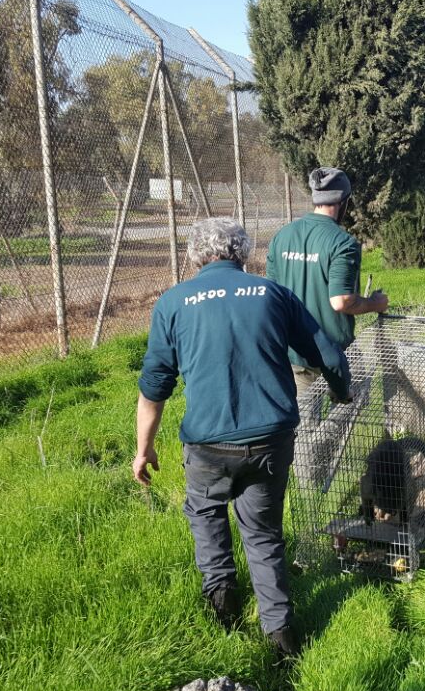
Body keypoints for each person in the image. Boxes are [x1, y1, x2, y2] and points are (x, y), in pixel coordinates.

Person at [133, 217, 352, 660]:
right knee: (264, 534)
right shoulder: (273, 294)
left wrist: (144, 449)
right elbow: (327, 353)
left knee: (207, 519)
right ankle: (282, 637)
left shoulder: (173, 303)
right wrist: (341, 391)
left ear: (195, 255)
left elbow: (154, 387)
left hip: (207, 445)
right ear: (243, 252)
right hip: (270, 438)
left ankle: (224, 615)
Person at [267, 167, 388, 397]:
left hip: (295, 354)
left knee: (305, 417)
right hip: (336, 353)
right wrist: (376, 303)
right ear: (344, 201)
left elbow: (272, 294)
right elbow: (341, 301)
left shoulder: (281, 237)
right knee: (352, 404)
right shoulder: (343, 243)